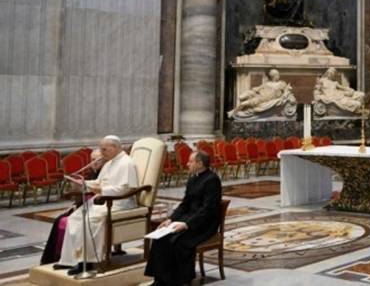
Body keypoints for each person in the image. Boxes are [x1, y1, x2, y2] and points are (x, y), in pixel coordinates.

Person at [57, 136, 139, 275]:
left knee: (90, 220)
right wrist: (83, 183)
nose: (101, 153)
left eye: (104, 149)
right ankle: (70, 260)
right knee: (74, 218)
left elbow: (127, 189)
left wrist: (102, 190)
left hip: (120, 203)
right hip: (105, 200)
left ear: (115, 147)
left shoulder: (127, 163)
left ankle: (87, 262)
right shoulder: (109, 163)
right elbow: (99, 182)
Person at [144, 150, 222, 286]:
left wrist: (187, 225)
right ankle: (160, 280)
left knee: (178, 242)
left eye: (190, 161)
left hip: (204, 224)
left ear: (200, 163)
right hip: (188, 218)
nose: (187, 164)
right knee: (160, 238)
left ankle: (179, 280)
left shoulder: (212, 180)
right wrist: (170, 219)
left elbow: (207, 209)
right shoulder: (192, 179)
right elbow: (185, 204)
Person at [41, 149, 104, 265]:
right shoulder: (91, 174)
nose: (94, 163)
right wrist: (75, 202)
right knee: (59, 220)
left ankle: (75, 258)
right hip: (83, 205)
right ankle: (55, 257)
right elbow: (83, 192)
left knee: (67, 221)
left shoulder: (104, 173)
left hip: (95, 206)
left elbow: (101, 192)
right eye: (92, 160)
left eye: (97, 160)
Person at [228, 68, 298, 119]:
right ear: (274, 76)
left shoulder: (281, 84)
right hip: (259, 97)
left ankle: (233, 113)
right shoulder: (267, 84)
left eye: (278, 74)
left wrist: (288, 91)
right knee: (242, 98)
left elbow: (287, 92)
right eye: (277, 74)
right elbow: (258, 89)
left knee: (244, 103)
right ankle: (234, 112)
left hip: (263, 101)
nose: (278, 76)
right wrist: (253, 92)